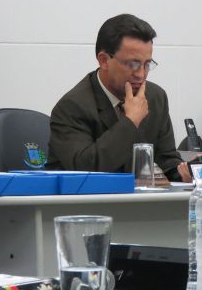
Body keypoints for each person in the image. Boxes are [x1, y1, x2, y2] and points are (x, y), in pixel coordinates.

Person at [46, 14, 191, 182]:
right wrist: (131, 121)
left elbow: (166, 160)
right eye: (132, 64)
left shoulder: (155, 97)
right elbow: (87, 169)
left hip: (136, 197)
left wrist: (183, 172)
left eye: (147, 64)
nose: (141, 74)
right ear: (104, 61)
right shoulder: (72, 107)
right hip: (81, 198)